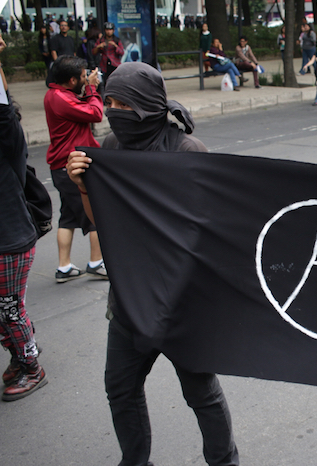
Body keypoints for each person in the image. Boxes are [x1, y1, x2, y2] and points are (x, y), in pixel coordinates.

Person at [65, 62, 240, 466]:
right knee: (121, 389)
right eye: (107, 102)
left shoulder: (186, 152)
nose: (112, 111)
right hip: (128, 300)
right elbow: (99, 222)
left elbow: (213, 232)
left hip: (182, 305)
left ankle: (224, 461)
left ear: (146, 103)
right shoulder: (109, 149)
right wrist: (82, 186)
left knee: (202, 394)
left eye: (122, 103)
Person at [0, 36, 48, 402]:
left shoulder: (6, 134)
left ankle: (32, 366)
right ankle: (22, 354)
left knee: (8, 309)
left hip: (10, 237)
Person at [43, 56, 106, 282]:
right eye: (81, 76)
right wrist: (91, 89)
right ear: (71, 80)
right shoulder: (62, 99)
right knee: (95, 213)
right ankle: (97, 262)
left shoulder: (55, 94)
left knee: (68, 217)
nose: (85, 78)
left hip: (60, 165)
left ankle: (64, 267)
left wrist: (86, 87)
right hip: (72, 165)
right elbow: (96, 113)